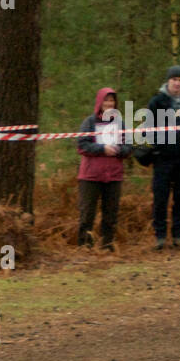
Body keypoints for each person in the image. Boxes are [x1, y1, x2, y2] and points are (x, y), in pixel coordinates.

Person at [145, 65, 180, 250]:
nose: (177, 83)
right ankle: (160, 237)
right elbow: (148, 129)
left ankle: (179, 235)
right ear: (168, 81)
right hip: (163, 159)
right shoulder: (156, 102)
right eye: (174, 79)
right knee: (161, 197)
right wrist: (157, 149)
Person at [75, 87, 131, 252]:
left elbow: (129, 146)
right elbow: (82, 145)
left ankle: (107, 246)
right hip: (90, 175)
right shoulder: (89, 122)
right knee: (87, 214)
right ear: (100, 102)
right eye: (106, 100)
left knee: (111, 214)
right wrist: (102, 148)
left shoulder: (120, 123)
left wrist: (119, 150)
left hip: (113, 175)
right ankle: (85, 246)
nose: (109, 103)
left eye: (112, 100)